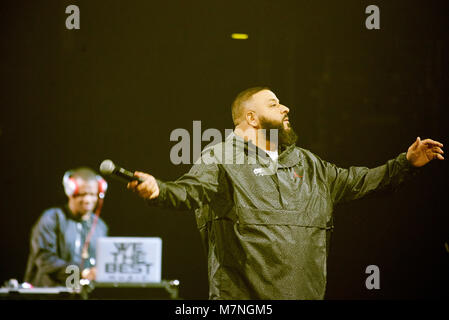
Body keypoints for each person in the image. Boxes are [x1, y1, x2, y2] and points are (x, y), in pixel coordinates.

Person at [127, 87, 444, 299]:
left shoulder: (309, 163)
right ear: (251, 118)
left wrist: (406, 163)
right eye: (274, 104)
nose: (285, 107)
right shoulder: (222, 157)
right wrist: (159, 190)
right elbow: (189, 191)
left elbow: (360, 182)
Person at [24, 167, 108, 287]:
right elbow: (44, 259)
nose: (88, 200)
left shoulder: (100, 226)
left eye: (92, 194)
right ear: (70, 192)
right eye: (82, 194)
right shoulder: (52, 218)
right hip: (48, 294)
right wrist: (81, 273)